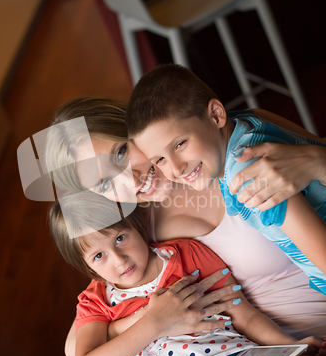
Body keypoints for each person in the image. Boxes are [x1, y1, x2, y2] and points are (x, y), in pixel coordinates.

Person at [45, 97, 326, 356]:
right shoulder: (139, 238)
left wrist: (317, 159)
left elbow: (316, 156)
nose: (131, 179)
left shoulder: (229, 138)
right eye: (105, 183)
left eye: (120, 153)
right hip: (290, 349)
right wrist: (154, 319)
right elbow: (75, 349)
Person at [49, 191, 326, 356]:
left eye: (120, 238)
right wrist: (155, 321)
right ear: (87, 268)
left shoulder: (187, 253)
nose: (119, 259)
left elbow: (245, 315)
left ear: (136, 226)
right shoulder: (96, 300)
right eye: (99, 256)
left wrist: (292, 346)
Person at [127, 64, 326, 296]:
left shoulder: (248, 173)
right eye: (159, 159)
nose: (177, 168)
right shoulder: (247, 121)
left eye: (180, 144)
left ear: (216, 115)